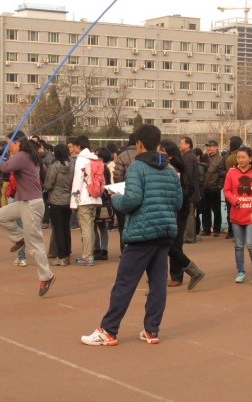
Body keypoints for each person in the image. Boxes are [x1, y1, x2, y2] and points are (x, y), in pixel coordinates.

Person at [81, 125, 182, 346]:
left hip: (142, 233)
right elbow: (178, 202)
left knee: (124, 283)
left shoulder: (137, 167)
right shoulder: (170, 170)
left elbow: (132, 200)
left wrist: (115, 198)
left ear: (139, 143)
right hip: (164, 232)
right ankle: (152, 330)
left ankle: (108, 330)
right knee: (158, 284)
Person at [0, 135, 56, 297]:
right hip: (23, 202)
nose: (8, 147)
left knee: (35, 243)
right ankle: (20, 238)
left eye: (9, 144)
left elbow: (5, 167)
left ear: (18, 142)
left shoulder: (23, 155)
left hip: (31, 204)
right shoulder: (28, 156)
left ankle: (46, 276)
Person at [161, 140, 206, 289]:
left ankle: (178, 275)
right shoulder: (165, 168)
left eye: (161, 152)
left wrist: (178, 198)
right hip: (170, 209)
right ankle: (164, 276)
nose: (158, 155)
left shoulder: (176, 169)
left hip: (178, 210)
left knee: (173, 244)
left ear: (170, 155)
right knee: (166, 244)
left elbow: (188, 188)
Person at [223, 146, 252, 284]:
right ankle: (240, 271)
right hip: (236, 215)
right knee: (239, 245)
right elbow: (227, 190)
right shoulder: (231, 172)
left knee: (250, 243)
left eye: (243, 157)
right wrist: (234, 200)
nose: (240, 160)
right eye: (238, 157)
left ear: (250, 158)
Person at [68, 135, 102, 266]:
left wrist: (73, 202)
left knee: (86, 228)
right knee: (90, 227)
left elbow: (77, 182)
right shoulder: (94, 158)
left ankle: (87, 256)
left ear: (79, 146)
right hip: (95, 197)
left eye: (74, 146)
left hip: (84, 198)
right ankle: (89, 254)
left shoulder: (81, 160)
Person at [44, 143, 73, 267]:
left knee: (58, 229)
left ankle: (61, 256)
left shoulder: (54, 167)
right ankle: (66, 254)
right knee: (66, 228)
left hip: (55, 201)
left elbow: (48, 184)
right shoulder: (72, 166)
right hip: (68, 200)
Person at [200, 139, 225, 237]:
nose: (209, 148)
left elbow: (221, 174)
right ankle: (206, 229)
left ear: (216, 147)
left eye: (210, 146)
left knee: (217, 210)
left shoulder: (220, 159)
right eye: (208, 146)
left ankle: (217, 229)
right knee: (205, 210)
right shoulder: (204, 158)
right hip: (205, 188)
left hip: (214, 188)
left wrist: (219, 187)